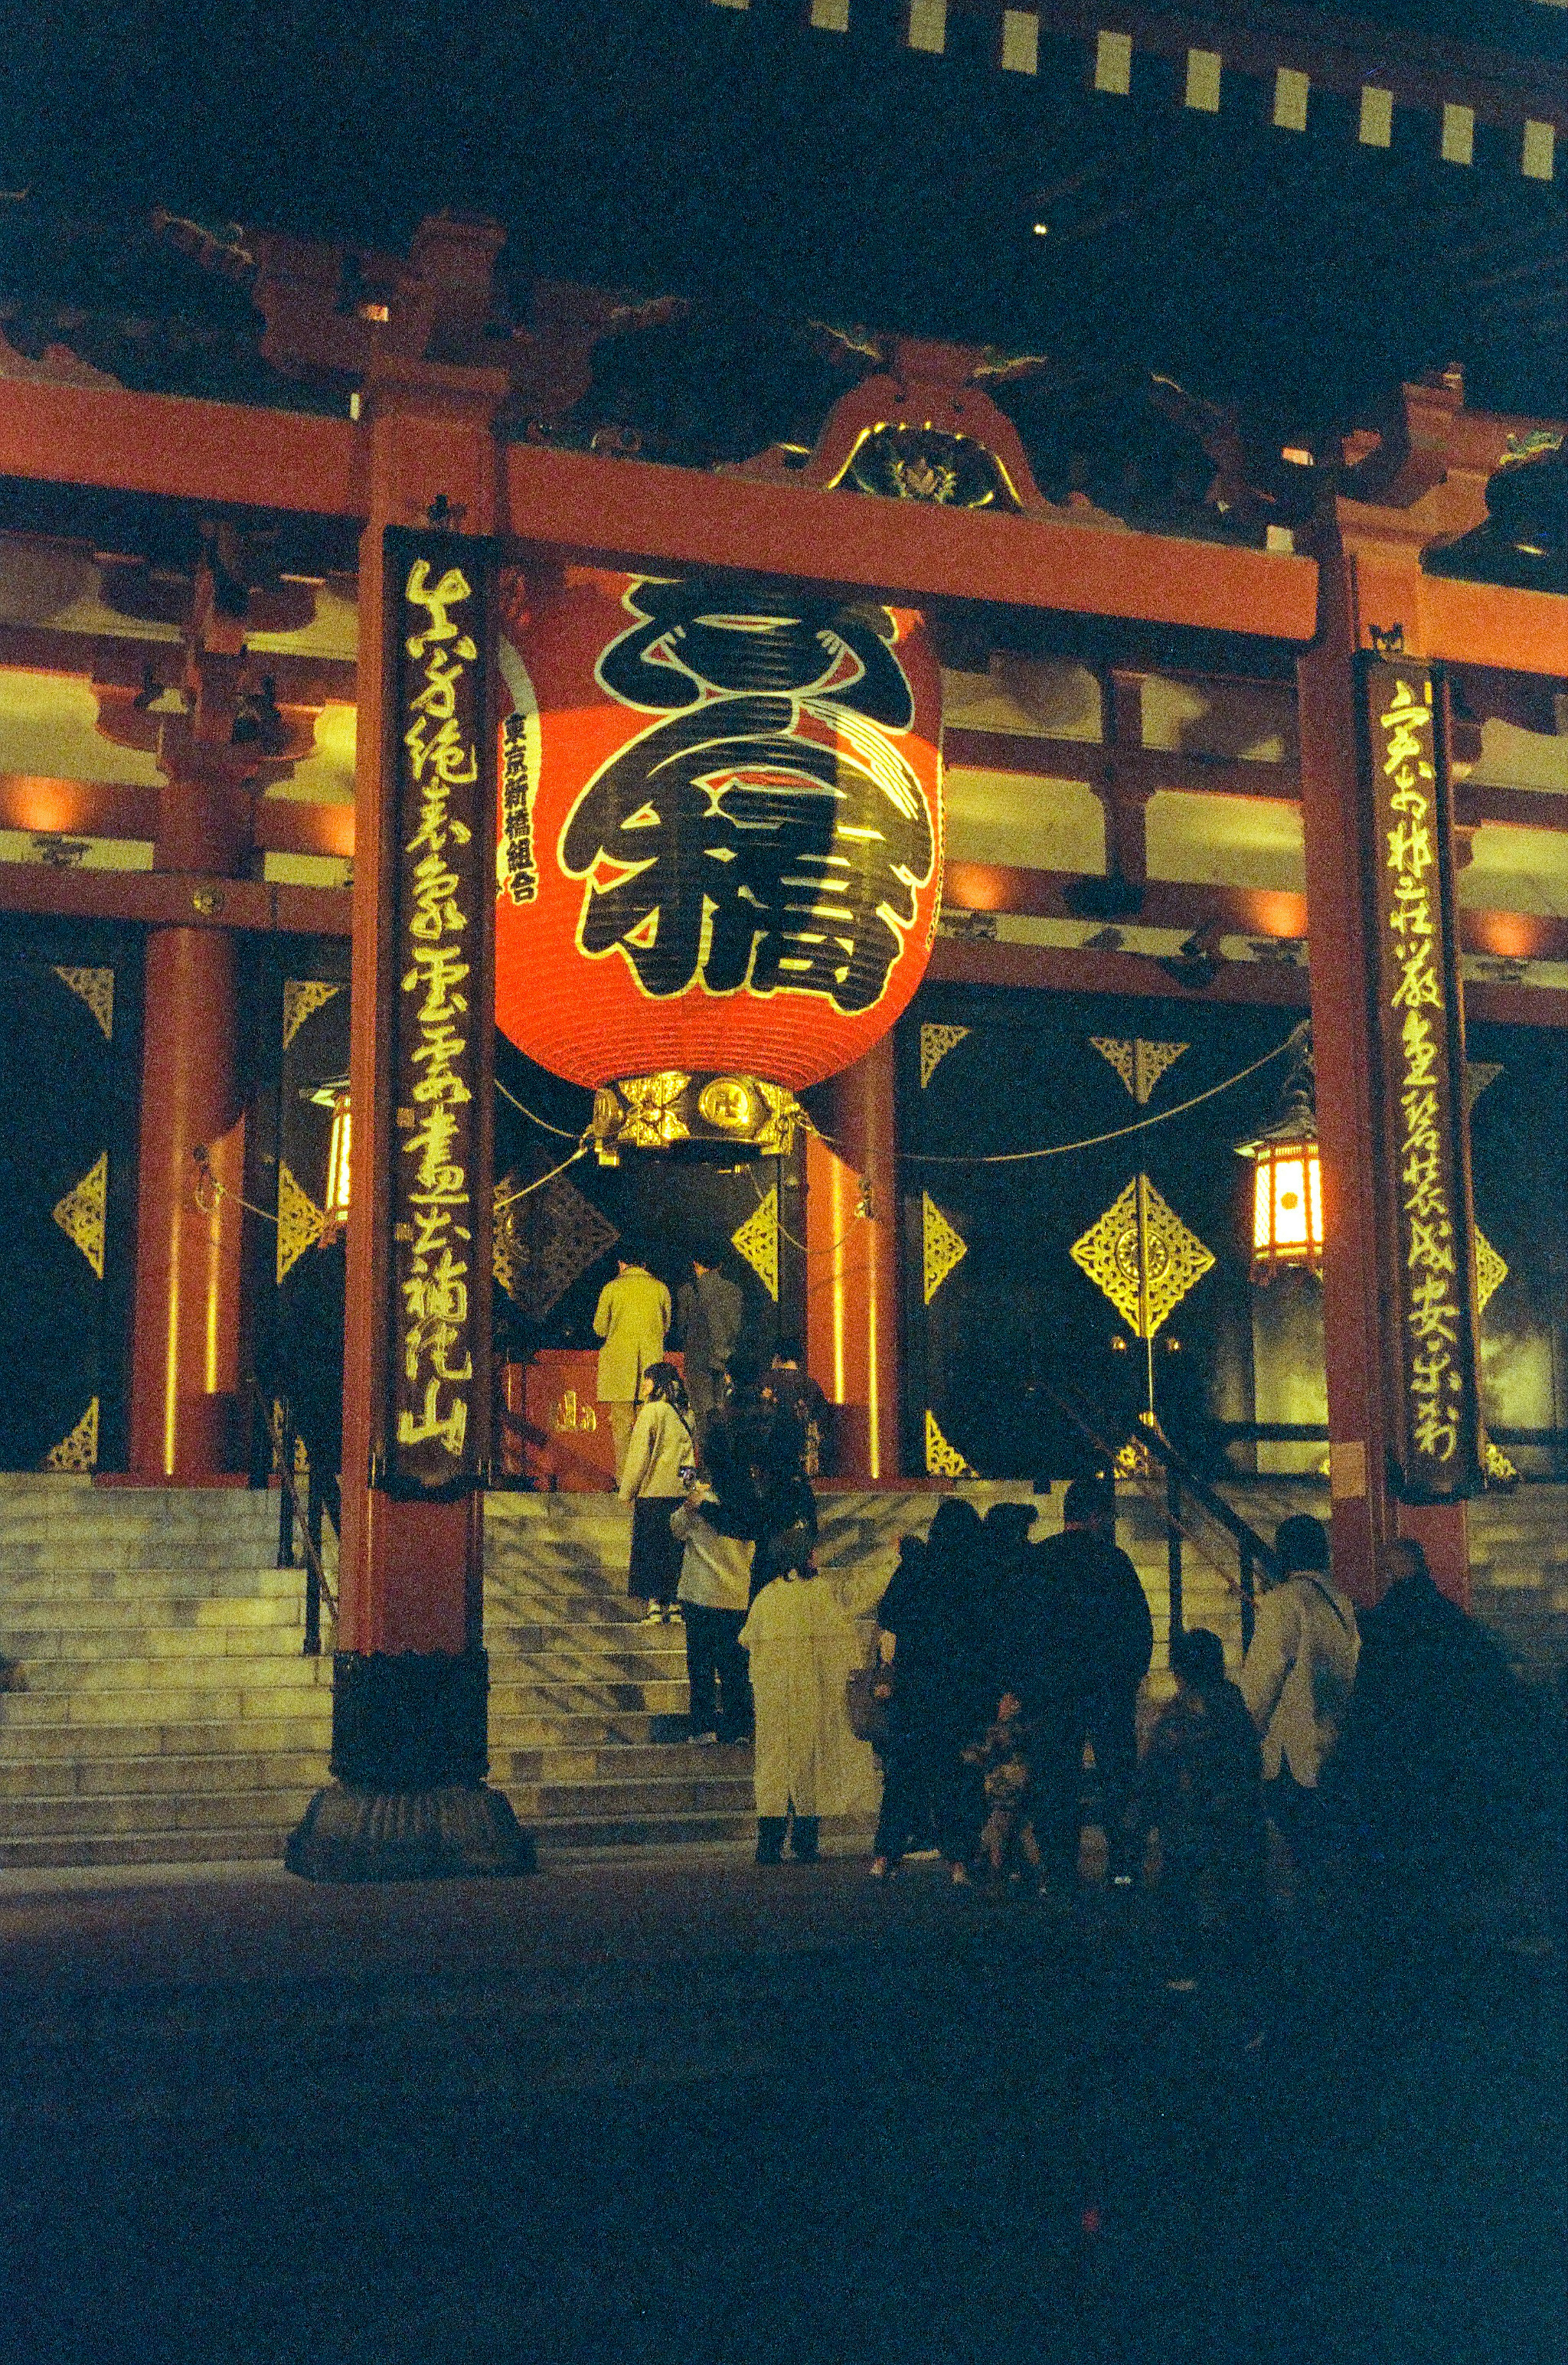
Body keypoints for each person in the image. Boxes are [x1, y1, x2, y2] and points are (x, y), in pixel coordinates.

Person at [1327, 1537, 1540, 1895]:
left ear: (1391, 1572)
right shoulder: (1451, 1618)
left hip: (1399, 1749)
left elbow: (1370, 1696)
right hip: (1446, 1746)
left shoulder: (1386, 1625)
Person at [1027, 1479, 1154, 1900]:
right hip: (1106, 1687)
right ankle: (1122, 1865)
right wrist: (1130, 1676)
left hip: (1054, 1689)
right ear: (1097, 1514)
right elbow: (1139, 1627)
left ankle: (1059, 1869)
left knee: (1056, 1778)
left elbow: (1020, 1626)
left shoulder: (1041, 1560)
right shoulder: (1113, 1561)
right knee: (1117, 1775)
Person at [739, 1522, 878, 1865]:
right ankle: (805, 1841)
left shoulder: (768, 1596)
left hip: (774, 1698)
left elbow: (749, 1641)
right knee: (809, 1764)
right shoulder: (822, 1593)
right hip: (812, 1694)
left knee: (773, 1765)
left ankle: (769, 1844)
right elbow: (858, 1598)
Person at [1137, 1626, 1266, 1980]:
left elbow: (1152, 1772)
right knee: (1240, 1898)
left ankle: (1185, 1973)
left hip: (1187, 1821)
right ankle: (1247, 1972)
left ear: (1179, 1673)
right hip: (1236, 1821)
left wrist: (1140, 1820)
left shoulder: (1173, 1718)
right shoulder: (1236, 1709)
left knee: (1179, 1894)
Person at [870, 1496, 989, 1882]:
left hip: (915, 1684)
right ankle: (958, 1860)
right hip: (958, 1687)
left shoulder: (916, 1568)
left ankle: (885, 1856)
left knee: (904, 1772)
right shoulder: (972, 1572)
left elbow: (888, 1613)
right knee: (956, 1773)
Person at [1238, 1512, 1359, 1876]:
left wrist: (1242, 1732)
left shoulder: (1285, 1602)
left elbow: (1264, 1678)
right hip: (1332, 1741)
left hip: (1293, 1754)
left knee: (1300, 1852)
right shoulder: (1341, 1602)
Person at [671, 1474, 754, 1745]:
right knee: (735, 1668)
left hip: (701, 1593)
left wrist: (689, 1505)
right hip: (736, 1594)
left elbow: (677, 1528)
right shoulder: (747, 1505)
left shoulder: (701, 1503)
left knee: (702, 1666)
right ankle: (739, 1726)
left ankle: (703, 1726)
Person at [617, 1361, 695, 1623]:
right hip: (678, 1494)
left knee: (652, 1551)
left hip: (652, 1494)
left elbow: (639, 1456)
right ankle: (675, 1606)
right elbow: (689, 1459)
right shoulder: (686, 1414)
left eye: (648, 1379)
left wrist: (627, 1491)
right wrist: (688, 1488)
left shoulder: (651, 1413)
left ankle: (654, 1606)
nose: (645, 1384)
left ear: (658, 1383)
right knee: (675, 1552)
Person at [592, 1252, 671, 1480]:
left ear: (621, 1263)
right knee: (649, 1425)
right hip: (652, 1368)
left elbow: (599, 1328)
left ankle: (625, 1480)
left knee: (622, 1426)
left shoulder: (612, 1288)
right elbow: (666, 1327)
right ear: (645, 1264)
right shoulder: (660, 1289)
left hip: (620, 1367)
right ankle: (648, 1479)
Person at [964, 1690, 1042, 1891]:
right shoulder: (1024, 1729)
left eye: (1005, 1702)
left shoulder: (1005, 1730)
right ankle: (1038, 1874)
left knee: (999, 1827)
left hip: (1006, 1785)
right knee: (1022, 1829)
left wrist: (970, 1754)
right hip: (1016, 1782)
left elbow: (988, 1752)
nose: (1001, 1705)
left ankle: (996, 1876)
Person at [676, 1249, 744, 1452]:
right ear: (720, 1266)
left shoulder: (689, 1292)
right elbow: (738, 1329)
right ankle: (726, 1467)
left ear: (696, 1264)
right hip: (727, 1363)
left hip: (699, 1362)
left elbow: (682, 1329)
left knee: (703, 1416)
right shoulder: (734, 1291)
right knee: (723, 1415)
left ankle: (707, 1470)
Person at [761, 1343, 831, 1477]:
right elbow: (823, 1417)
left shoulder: (766, 1381)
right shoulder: (811, 1384)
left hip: (771, 1447)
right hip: (801, 1450)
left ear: (777, 1358)